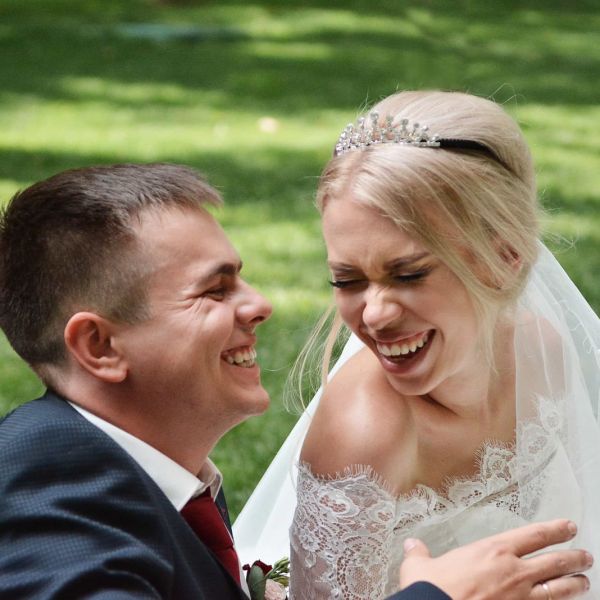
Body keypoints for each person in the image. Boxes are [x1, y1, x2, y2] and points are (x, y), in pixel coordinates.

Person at [0, 163, 592, 600]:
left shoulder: (133, 474)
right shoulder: (50, 497)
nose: (260, 305)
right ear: (100, 347)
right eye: (215, 290)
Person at [233, 91, 600, 599]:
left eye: (408, 274)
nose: (374, 314)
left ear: (506, 258)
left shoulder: (542, 351)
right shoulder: (364, 433)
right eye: (347, 280)